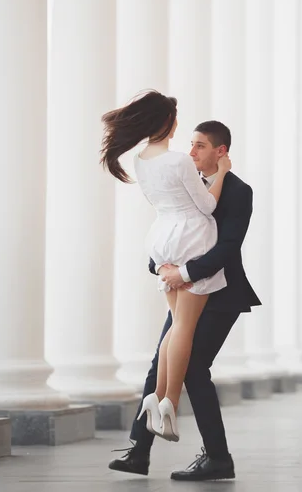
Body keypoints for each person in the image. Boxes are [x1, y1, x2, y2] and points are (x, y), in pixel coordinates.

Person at [109, 119, 261, 481]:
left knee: (193, 369)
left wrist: (185, 273)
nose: (190, 152)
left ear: (220, 151)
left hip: (222, 293)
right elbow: (171, 225)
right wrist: (160, 265)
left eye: (200, 146)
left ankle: (218, 459)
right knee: (158, 361)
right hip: (182, 284)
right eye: (190, 144)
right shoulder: (181, 177)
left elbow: (227, 247)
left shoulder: (239, 191)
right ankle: (139, 452)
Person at [100, 90, 231, 442]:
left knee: (175, 324)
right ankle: (169, 402)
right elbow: (205, 207)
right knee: (184, 327)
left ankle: (154, 397)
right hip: (191, 239)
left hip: (163, 238)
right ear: (167, 122)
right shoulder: (178, 161)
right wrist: (221, 173)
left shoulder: (142, 159)